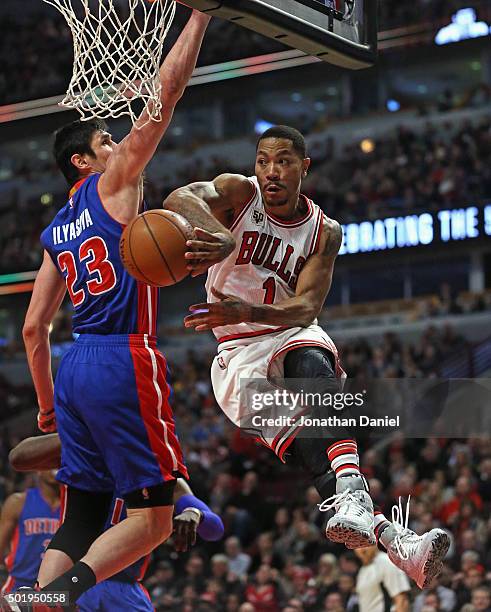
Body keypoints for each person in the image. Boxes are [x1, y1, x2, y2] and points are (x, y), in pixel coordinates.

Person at [163, 124, 450, 588]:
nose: (271, 171)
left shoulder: (324, 231)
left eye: (283, 161)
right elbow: (180, 198)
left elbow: (306, 307)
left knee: (310, 354)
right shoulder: (240, 193)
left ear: (304, 167)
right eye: (263, 161)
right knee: (318, 457)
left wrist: (248, 308)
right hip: (235, 354)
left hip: (284, 328)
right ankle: (398, 544)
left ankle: (355, 492)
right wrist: (223, 235)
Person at [19, 9, 233, 607]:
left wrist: (45, 410)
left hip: (73, 369)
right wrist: (199, 17)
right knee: (154, 522)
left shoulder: (55, 231)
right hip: (122, 357)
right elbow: (165, 96)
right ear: (84, 163)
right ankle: (55, 596)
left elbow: (34, 329)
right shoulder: (113, 183)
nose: (116, 144)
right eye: (103, 142)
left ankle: (35, 593)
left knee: (83, 514)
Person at [6, 434, 224, 611]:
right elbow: (19, 457)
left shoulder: (163, 476)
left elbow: (215, 529)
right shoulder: (83, 457)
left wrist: (195, 513)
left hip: (126, 588)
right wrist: (83, 430)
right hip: (76, 585)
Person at [0, 471, 60, 596]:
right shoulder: (18, 501)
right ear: (38, 469)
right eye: (50, 462)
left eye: (59, 463)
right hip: (20, 585)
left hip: (57, 590)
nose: (56, 467)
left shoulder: (73, 507)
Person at [355, 545, 410, 612]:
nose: (361, 550)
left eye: (365, 544)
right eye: (357, 545)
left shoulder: (386, 562)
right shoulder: (362, 570)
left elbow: (402, 601)